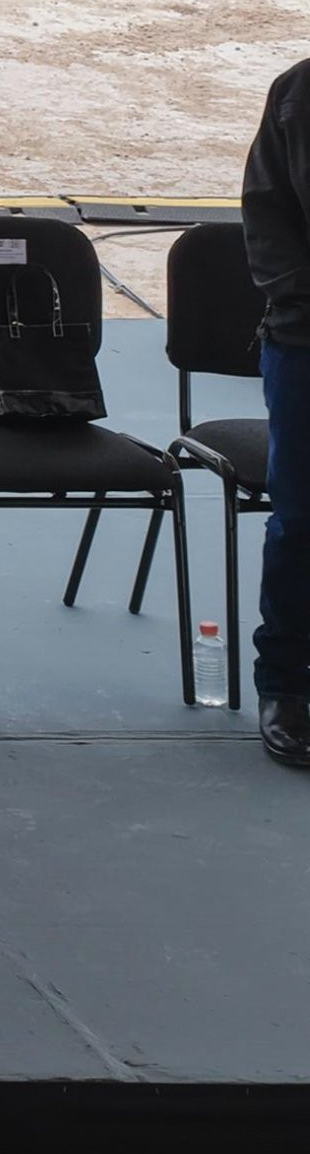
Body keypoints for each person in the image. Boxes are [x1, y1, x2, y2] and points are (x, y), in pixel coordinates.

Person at [247, 54, 310, 773]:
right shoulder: (298, 92)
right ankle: (287, 686)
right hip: (305, 339)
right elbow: (268, 226)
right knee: (302, 518)